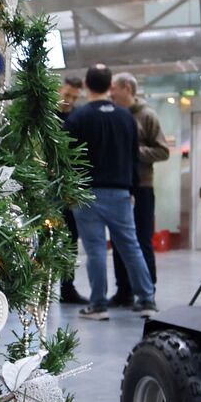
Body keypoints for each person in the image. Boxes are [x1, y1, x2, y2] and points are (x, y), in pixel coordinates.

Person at [62, 64, 157, 320]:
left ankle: (98, 305)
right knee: (130, 247)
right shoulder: (126, 117)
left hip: (87, 193)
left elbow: (67, 158)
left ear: (87, 85)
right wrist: (133, 188)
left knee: (95, 250)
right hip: (120, 193)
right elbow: (133, 157)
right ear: (108, 87)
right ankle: (147, 299)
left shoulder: (78, 118)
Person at [109, 72, 169, 307]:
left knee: (142, 240)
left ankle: (147, 290)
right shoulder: (114, 116)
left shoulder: (147, 116)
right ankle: (123, 291)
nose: (111, 93)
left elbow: (162, 151)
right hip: (120, 187)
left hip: (142, 188)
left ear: (126, 88)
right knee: (118, 241)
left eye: (114, 88)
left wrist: (133, 151)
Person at [56, 74, 87, 305]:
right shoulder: (45, 116)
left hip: (67, 188)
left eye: (74, 97)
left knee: (70, 237)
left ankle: (67, 287)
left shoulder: (77, 118)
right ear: (60, 90)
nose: (69, 100)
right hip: (43, 186)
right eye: (67, 95)